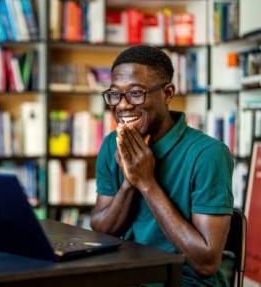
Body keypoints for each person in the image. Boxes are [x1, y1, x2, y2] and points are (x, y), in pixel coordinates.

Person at [91, 45, 234, 286]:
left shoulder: (208, 154)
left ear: (167, 93)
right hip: (126, 275)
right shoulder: (111, 145)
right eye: (115, 94)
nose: (122, 105)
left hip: (184, 281)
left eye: (136, 93)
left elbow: (206, 263)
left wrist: (147, 183)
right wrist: (130, 182)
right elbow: (101, 232)